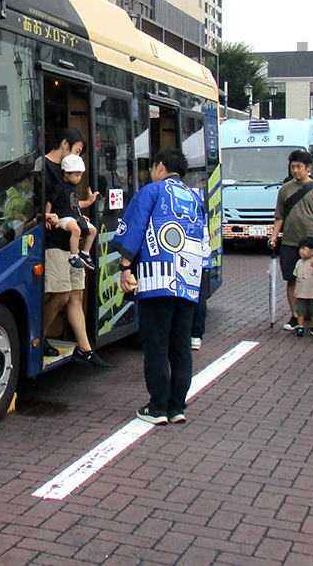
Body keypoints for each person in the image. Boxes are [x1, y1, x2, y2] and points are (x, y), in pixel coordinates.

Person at [116, 148, 206, 424]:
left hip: (157, 278)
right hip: (189, 281)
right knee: (180, 343)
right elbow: (205, 244)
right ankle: (176, 405)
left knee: (156, 342)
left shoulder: (151, 192)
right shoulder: (195, 197)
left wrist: (125, 268)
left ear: (160, 166)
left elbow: (134, 229)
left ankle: (157, 406)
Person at [38, 129, 110, 369]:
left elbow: (69, 203)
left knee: (76, 294)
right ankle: (37, 338)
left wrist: (87, 203)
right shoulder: (43, 166)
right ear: (64, 143)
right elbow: (39, 203)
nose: (77, 158)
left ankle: (85, 349)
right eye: (76, 151)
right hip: (54, 242)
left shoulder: (66, 172)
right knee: (60, 296)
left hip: (71, 244)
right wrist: (46, 215)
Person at [268, 150, 313, 331]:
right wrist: (274, 235)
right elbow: (279, 216)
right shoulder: (285, 189)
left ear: (308, 168)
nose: (295, 170)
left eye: (299, 167)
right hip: (290, 242)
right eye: (292, 167)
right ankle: (295, 315)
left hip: (312, 243)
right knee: (291, 279)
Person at [48, 153, 98, 270]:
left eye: (80, 175)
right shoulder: (58, 187)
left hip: (72, 215)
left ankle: (85, 253)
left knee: (93, 230)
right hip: (61, 216)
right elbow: (50, 201)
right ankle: (73, 255)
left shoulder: (73, 187)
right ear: (66, 173)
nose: (79, 178)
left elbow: (73, 204)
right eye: (77, 175)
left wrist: (85, 206)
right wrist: (48, 215)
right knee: (76, 229)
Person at [292, 236, 313, 338]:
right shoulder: (299, 263)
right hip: (302, 291)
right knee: (300, 310)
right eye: (300, 248)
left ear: (312, 252)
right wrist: (296, 289)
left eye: (304, 249)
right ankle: (300, 326)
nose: (301, 251)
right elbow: (297, 278)